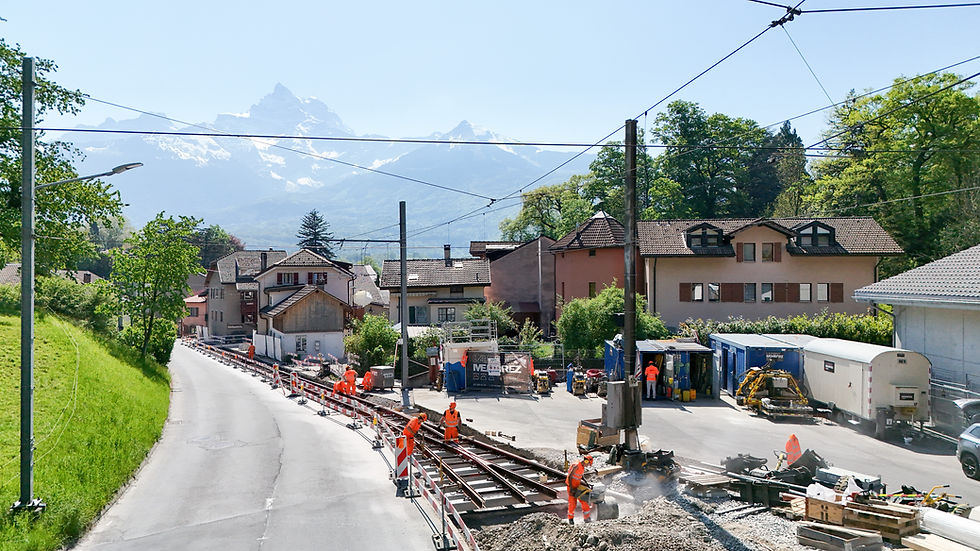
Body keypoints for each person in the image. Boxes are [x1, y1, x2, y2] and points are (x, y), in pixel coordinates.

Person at [565, 454, 594, 524]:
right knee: (572, 503)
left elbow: (580, 476)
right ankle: (570, 520)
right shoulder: (577, 465)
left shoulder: (582, 467)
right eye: (588, 464)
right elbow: (569, 477)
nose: (588, 466)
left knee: (584, 501)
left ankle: (587, 518)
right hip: (571, 487)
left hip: (577, 486)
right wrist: (571, 489)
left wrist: (586, 483)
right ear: (586, 461)